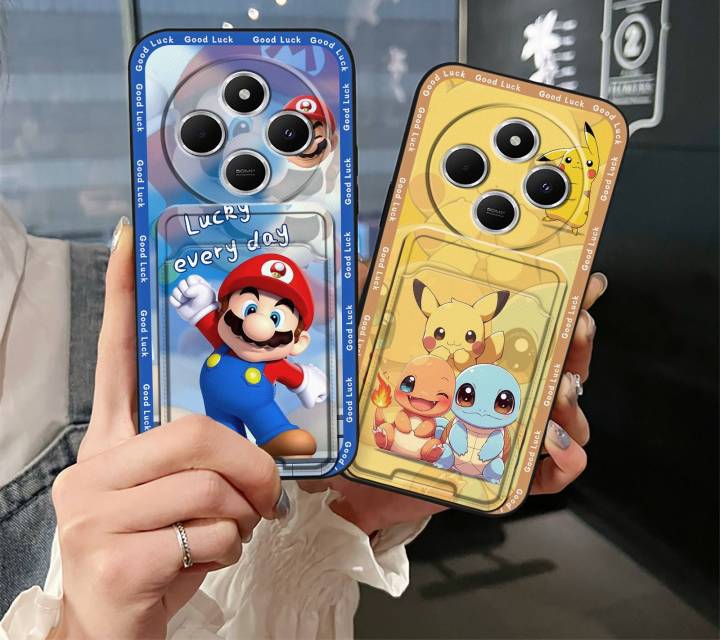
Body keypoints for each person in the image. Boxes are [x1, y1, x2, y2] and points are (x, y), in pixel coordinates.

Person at [0, 216, 603, 639]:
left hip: (260, 417)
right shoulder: (143, 319)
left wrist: (348, 511)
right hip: (226, 408)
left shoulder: (116, 296)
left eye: (274, 313)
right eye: (248, 306)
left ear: (298, 334)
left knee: (260, 428)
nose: (257, 321)